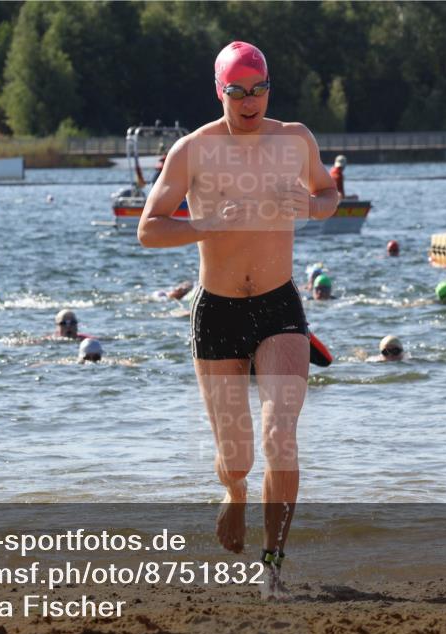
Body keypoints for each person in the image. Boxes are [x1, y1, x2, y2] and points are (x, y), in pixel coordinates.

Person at [137, 40, 340, 599]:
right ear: (219, 91)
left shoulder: (295, 139)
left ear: (269, 88)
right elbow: (149, 229)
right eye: (237, 91)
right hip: (217, 309)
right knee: (237, 454)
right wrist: (206, 226)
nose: (249, 101)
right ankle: (233, 494)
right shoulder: (193, 150)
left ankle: (272, 563)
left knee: (281, 436)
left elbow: (328, 195)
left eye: (259, 89)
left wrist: (312, 205)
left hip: (279, 304)